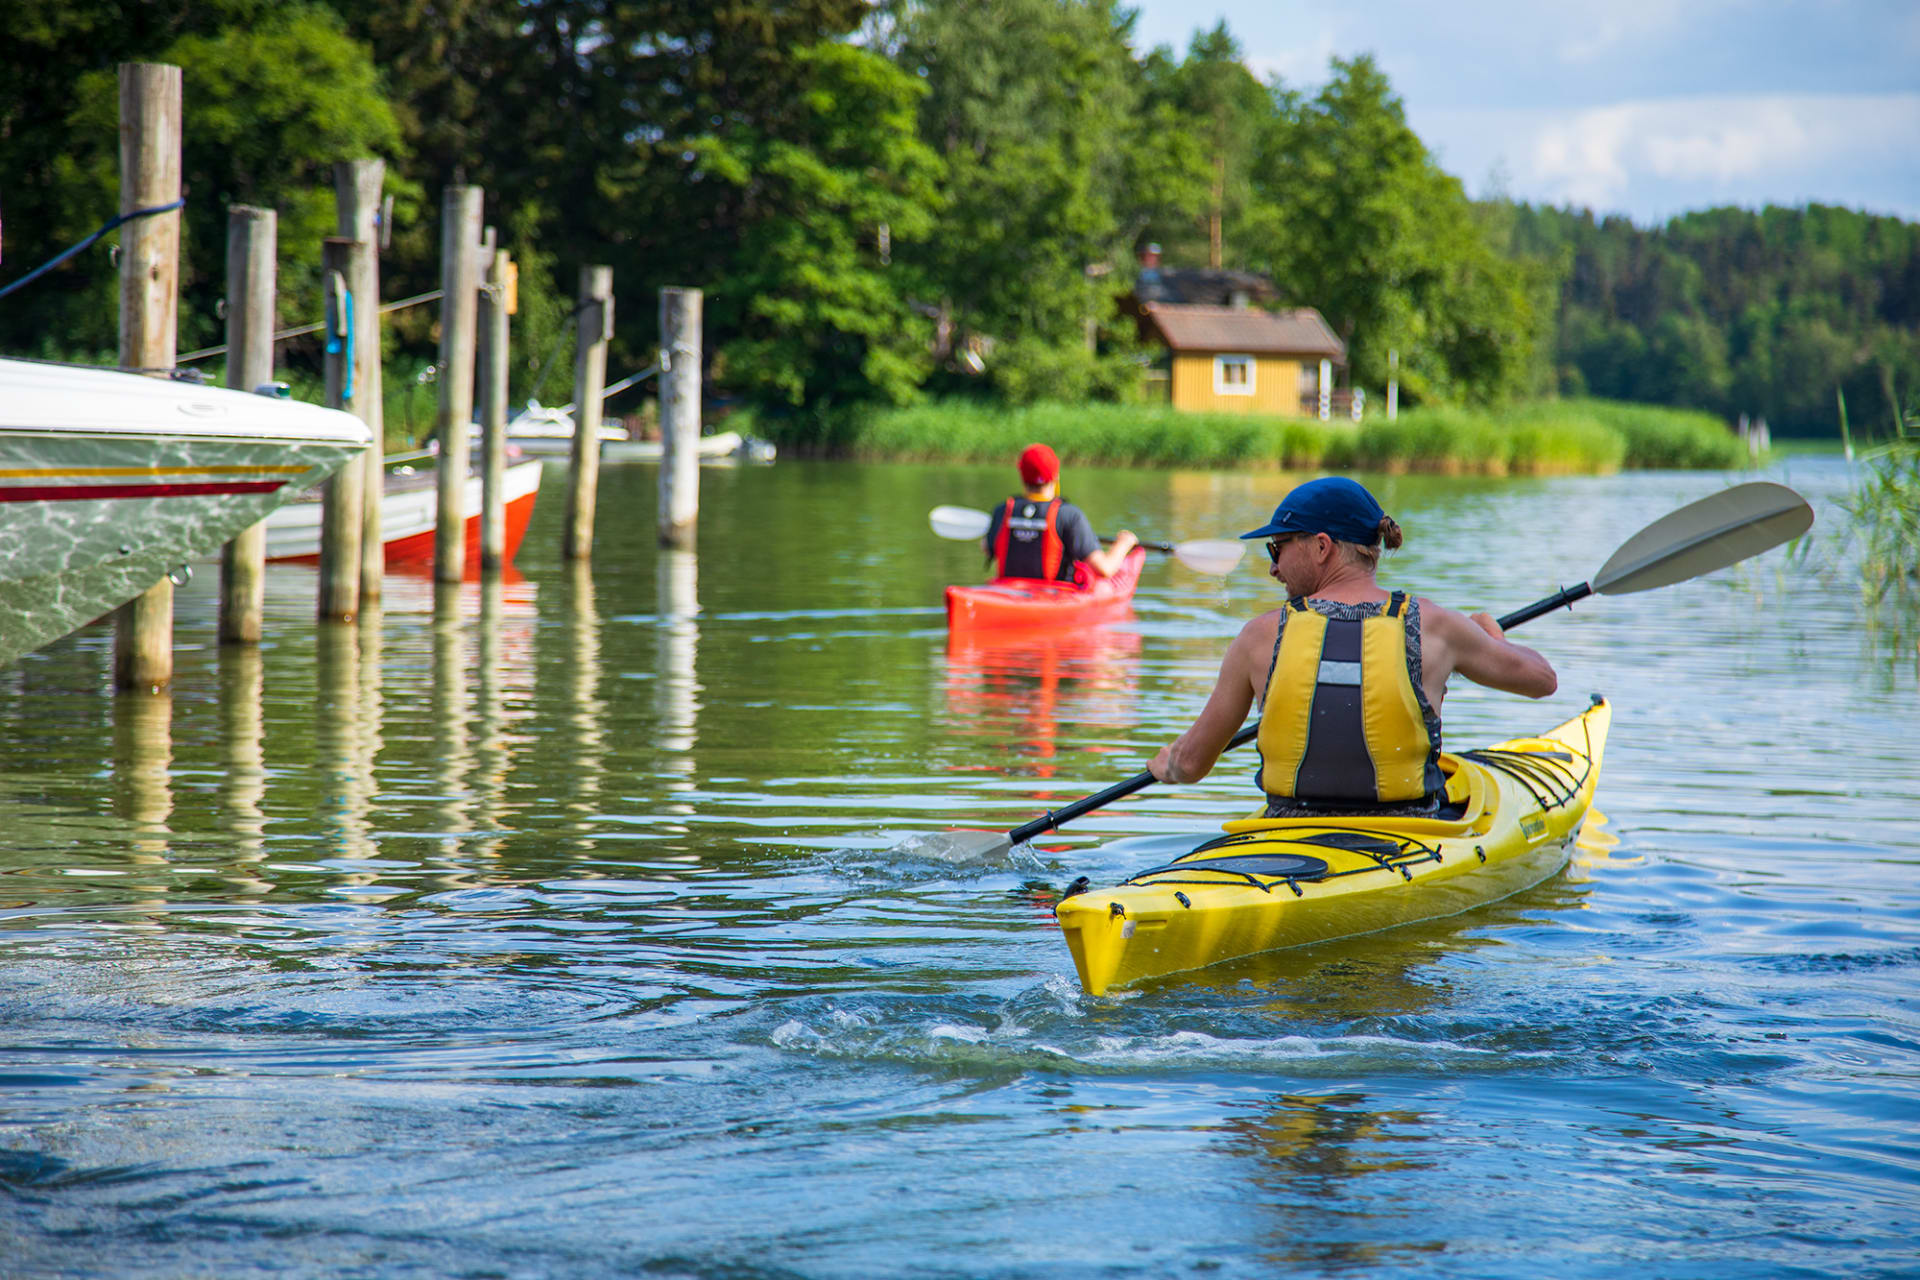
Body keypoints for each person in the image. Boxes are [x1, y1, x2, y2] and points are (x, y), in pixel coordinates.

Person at [1146, 476, 1557, 815]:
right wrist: (1489, 636)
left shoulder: (1259, 636)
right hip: (1410, 837)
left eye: (1277, 548)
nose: (1273, 567)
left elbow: (1190, 764)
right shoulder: (1438, 626)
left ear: (1321, 546)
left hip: (1287, 839)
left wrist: (1168, 764)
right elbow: (1542, 680)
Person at [982, 443, 1138, 584]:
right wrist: (1124, 543)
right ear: (1056, 476)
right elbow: (1105, 569)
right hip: (1051, 597)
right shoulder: (1069, 515)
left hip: (1007, 593)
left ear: (1022, 475)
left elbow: (987, 548)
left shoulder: (1002, 511)